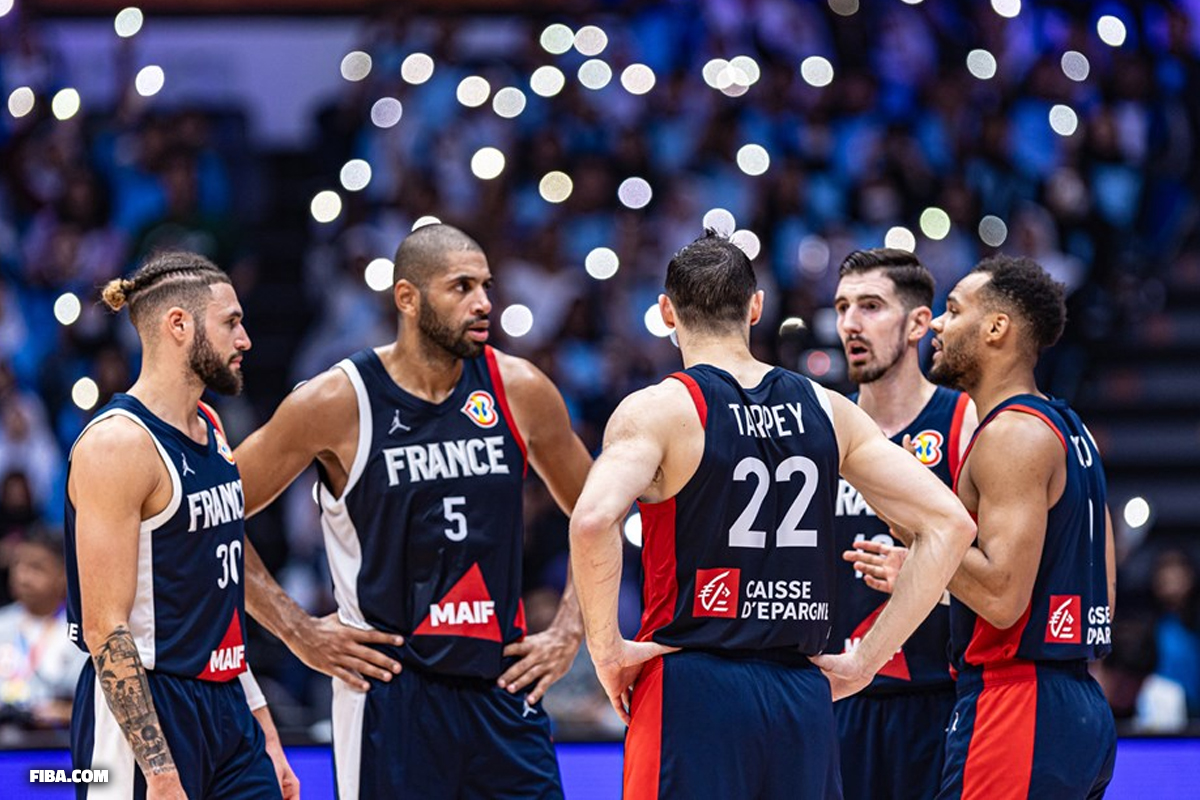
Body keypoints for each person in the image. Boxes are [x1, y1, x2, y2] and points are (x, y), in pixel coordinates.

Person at [568, 232, 976, 799]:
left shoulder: (659, 410)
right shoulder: (828, 409)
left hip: (690, 686)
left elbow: (591, 521)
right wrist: (863, 663)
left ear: (666, 312)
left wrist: (608, 651)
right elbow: (951, 525)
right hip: (800, 696)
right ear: (755, 307)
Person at [233, 224, 593, 799]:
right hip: (389, 692)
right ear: (408, 298)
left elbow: (597, 510)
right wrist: (297, 631)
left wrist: (574, 627)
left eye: (486, 286)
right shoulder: (335, 401)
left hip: (501, 687)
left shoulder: (519, 388)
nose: (484, 303)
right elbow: (207, 514)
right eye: (462, 287)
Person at [65, 252, 297, 799]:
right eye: (232, 323)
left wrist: (263, 724)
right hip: (143, 707)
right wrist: (162, 774)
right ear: (178, 325)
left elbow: (216, 603)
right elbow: (105, 630)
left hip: (225, 702)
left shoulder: (210, 428)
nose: (245, 341)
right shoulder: (117, 444)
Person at [891, 254, 1116, 799]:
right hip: (1078, 702)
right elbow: (1105, 586)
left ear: (997, 328)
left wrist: (918, 529)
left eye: (952, 309)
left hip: (1018, 701)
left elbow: (1001, 596)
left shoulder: (1011, 435)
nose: (937, 325)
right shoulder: (1068, 426)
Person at [830, 248, 977, 800]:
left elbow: (1005, 570)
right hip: (837, 694)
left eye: (870, 306)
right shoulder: (821, 424)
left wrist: (931, 577)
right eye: (843, 306)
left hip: (938, 696)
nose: (850, 323)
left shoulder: (966, 421)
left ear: (919, 322)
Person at [0, 527, 87, 730]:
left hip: (58, 746)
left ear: (64, 575)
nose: (23, 576)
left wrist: (66, 712)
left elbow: (94, 702)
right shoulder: (2, 624)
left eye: (36, 568)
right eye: (18, 565)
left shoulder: (80, 631)